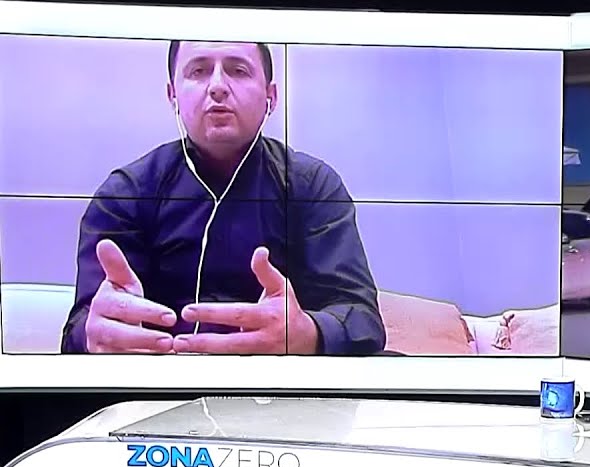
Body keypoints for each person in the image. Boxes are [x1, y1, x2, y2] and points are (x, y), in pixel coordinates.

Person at [60, 40, 385, 355]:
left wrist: (307, 334)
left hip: (283, 383)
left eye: (238, 70)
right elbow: (79, 329)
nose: (217, 87)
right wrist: (97, 333)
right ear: (173, 95)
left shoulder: (312, 186)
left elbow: (360, 317)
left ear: (270, 96)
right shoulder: (126, 193)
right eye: (198, 71)